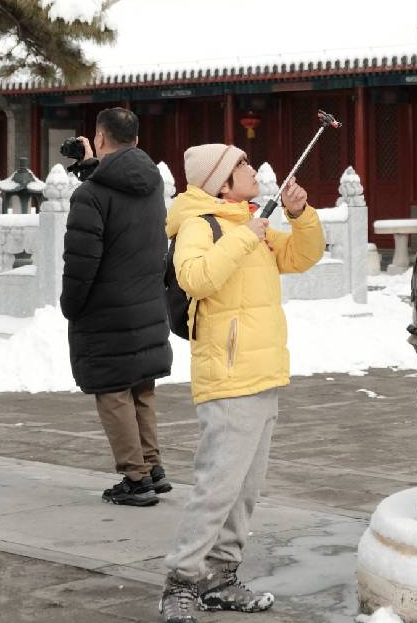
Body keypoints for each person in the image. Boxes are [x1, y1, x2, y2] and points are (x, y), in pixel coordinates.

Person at [160, 143, 325, 622]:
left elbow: (301, 258)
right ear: (220, 182)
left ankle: (221, 574)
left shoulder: (251, 221)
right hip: (228, 376)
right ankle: (182, 581)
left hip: (263, 372)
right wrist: (244, 237)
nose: (253, 170)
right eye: (242, 165)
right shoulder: (201, 224)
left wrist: (301, 215)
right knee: (216, 487)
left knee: (244, 490)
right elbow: (193, 277)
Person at [60, 107, 172, 508]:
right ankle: (154, 468)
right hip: (146, 303)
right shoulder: (153, 183)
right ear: (137, 142)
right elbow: (118, 193)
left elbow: (81, 261)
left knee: (113, 393)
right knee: (142, 388)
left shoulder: (89, 195)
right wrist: (92, 166)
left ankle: (135, 478)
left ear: (101, 139)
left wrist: (71, 306)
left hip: (106, 309)